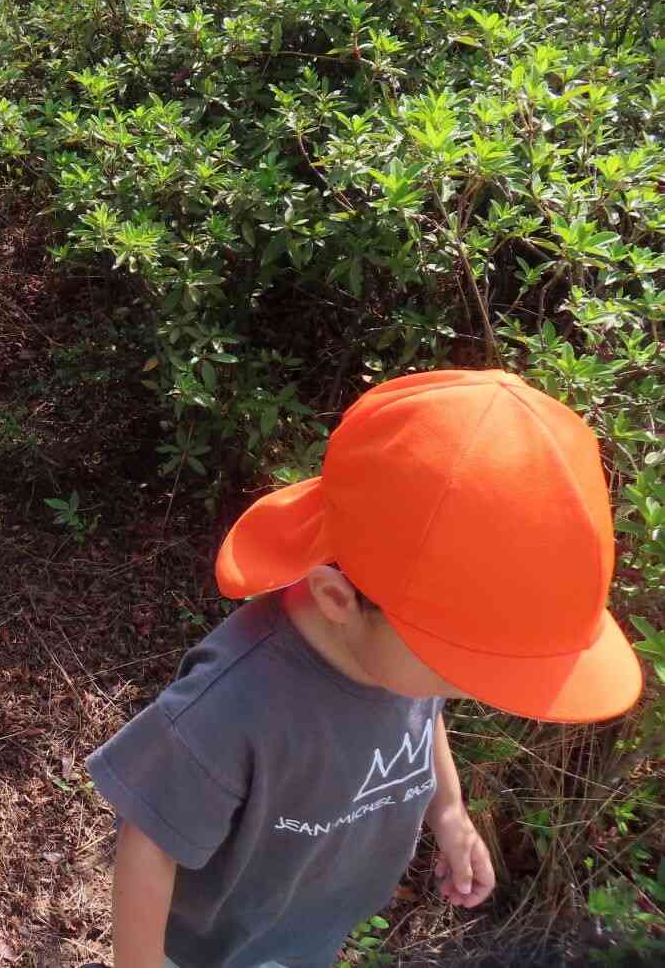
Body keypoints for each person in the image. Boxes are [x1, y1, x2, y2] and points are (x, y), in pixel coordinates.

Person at [86, 368, 644, 968]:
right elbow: (149, 835)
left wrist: (449, 810)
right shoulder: (235, 702)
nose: (471, 693)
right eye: (460, 670)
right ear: (337, 600)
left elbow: (423, 713)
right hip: (214, 951)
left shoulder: (401, 654)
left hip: (306, 934)